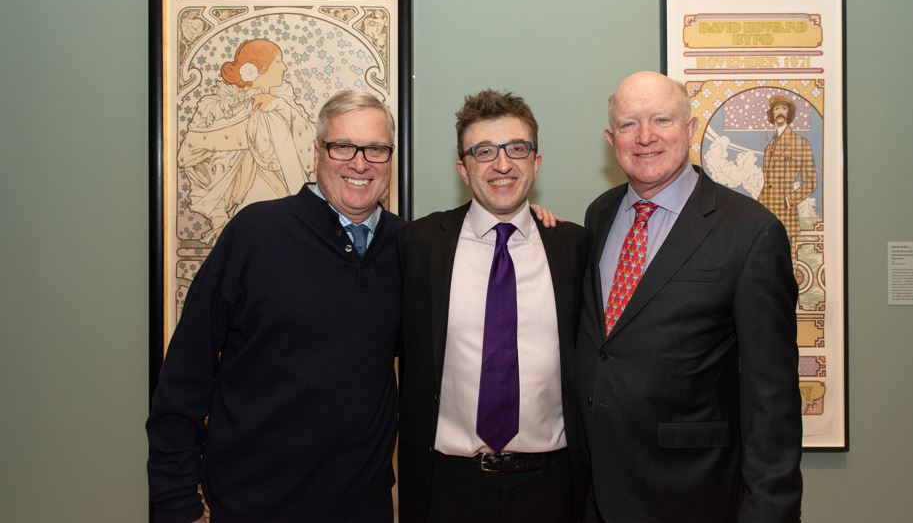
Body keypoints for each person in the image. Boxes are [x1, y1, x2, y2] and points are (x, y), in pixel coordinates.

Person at [148, 90, 403, 523]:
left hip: (363, 508)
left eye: (376, 149)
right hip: (251, 505)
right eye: (343, 146)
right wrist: (176, 502)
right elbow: (185, 374)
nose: (360, 163)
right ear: (317, 151)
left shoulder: (407, 247)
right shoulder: (255, 233)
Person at [577, 72, 802, 523]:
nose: (645, 136)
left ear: (691, 128)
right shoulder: (599, 214)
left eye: (661, 120)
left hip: (692, 494)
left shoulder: (750, 232)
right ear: (611, 139)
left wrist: (770, 510)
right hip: (594, 493)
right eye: (628, 124)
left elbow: (772, 397)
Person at [397, 90, 590, 523]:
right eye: (484, 152)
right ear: (462, 169)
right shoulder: (419, 245)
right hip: (448, 487)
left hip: (552, 487)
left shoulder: (574, 247)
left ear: (536, 163)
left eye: (516, 149)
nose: (502, 165)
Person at [178, 38, 316, 244]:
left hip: (279, 193)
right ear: (257, 69)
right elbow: (191, 150)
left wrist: (279, 106)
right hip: (247, 194)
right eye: (278, 61)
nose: (284, 67)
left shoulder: (282, 104)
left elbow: (311, 142)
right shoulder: (219, 107)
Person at [757, 94, 817, 261]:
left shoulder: (801, 143)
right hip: (765, 213)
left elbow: (811, 182)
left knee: (787, 264)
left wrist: (788, 201)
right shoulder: (770, 144)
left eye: (784, 108)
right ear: (772, 114)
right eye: (776, 108)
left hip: (785, 213)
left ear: (789, 113)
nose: (780, 112)